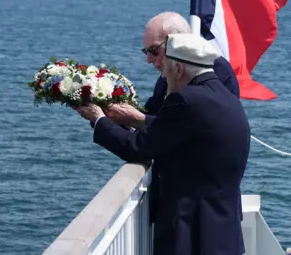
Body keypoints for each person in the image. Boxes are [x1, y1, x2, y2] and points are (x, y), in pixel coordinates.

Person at [75, 33, 250, 255]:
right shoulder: (228, 99)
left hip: (192, 235)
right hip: (224, 232)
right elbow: (180, 135)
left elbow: (137, 147)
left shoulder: (186, 100)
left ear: (179, 69)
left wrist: (98, 119)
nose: (164, 77)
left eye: (166, 69)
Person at [102, 12, 242, 230]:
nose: (149, 59)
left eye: (153, 51)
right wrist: (112, 108)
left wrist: (100, 119)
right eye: (146, 51)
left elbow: (184, 129)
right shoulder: (173, 78)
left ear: (175, 43)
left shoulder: (211, 74)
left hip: (197, 215)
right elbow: (156, 116)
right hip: (193, 213)